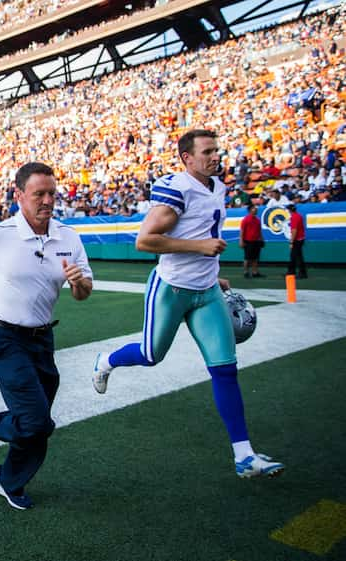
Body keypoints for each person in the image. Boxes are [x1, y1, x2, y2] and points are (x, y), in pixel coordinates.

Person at [91, 129, 285, 479]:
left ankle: (244, 455)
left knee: (225, 369)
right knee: (151, 355)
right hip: (172, 289)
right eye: (208, 151)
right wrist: (199, 250)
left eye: (216, 150)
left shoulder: (218, 186)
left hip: (206, 290)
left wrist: (213, 271)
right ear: (187, 158)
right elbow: (145, 241)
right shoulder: (176, 188)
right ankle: (106, 361)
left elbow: (203, 234)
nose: (215, 156)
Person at [0, 162, 93, 510]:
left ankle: (6, 477)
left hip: (43, 339)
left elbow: (83, 293)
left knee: (37, 421)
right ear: (19, 196)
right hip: (3, 336)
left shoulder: (68, 237)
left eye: (51, 194)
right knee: (35, 420)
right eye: (38, 194)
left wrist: (79, 283)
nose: (47, 201)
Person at [239, 204, 265, 278]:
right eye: (254, 208)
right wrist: (241, 240)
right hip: (248, 241)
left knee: (255, 258)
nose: (256, 209)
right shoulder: (246, 219)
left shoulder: (257, 220)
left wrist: (262, 239)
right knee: (247, 258)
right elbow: (242, 231)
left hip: (256, 241)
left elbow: (259, 231)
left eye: (256, 208)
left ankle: (255, 272)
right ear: (250, 210)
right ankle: (246, 272)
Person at [286, 202, 307, 279]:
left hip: (297, 240)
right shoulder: (298, 216)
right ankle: (291, 272)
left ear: (290, 210)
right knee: (294, 256)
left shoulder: (294, 217)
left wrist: (291, 241)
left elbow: (294, 230)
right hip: (300, 239)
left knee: (297, 257)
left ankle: (301, 273)